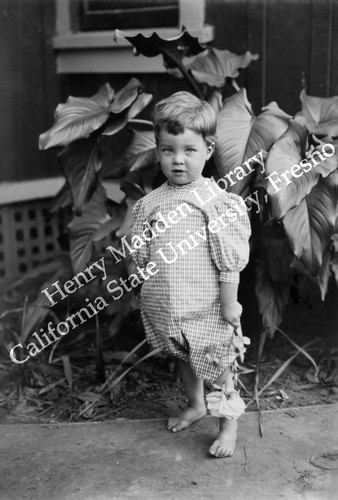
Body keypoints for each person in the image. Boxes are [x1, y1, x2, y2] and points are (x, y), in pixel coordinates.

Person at [131, 91, 251, 458]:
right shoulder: (150, 203)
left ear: (209, 149)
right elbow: (140, 250)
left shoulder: (215, 202)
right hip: (170, 306)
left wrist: (230, 304)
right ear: (158, 149)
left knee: (217, 367)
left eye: (189, 150)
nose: (178, 160)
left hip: (207, 307)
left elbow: (229, 258)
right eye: (168, 150)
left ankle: (227, 424)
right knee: (184, 359)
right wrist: (141, 278)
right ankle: (196, 404)